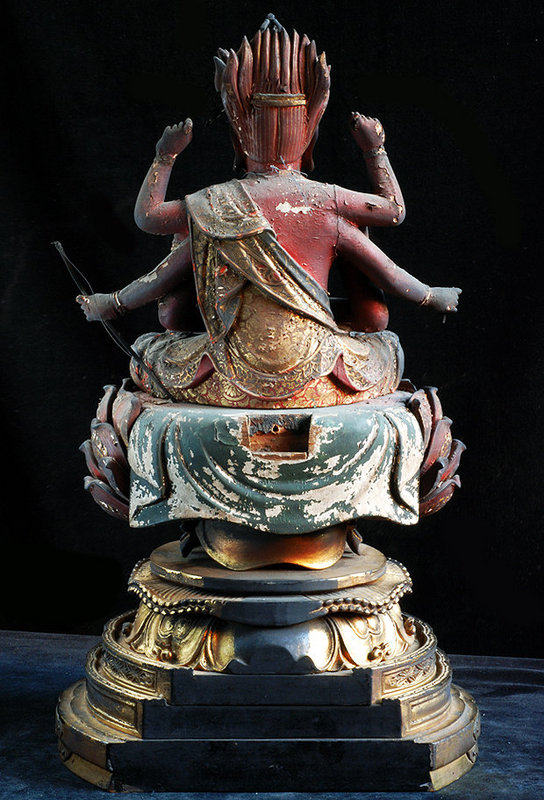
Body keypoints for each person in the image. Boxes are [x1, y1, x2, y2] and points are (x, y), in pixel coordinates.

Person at [78, 18, 460, 408]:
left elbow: (148, 220)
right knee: (386, 345)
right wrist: (374, 150)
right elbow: (393, 217)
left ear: (237, 138)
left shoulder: (214, 205)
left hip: (228, 377)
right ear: (310, 136)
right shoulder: (326, 201)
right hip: (320, 375)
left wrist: (165, 156)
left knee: (149, 350)